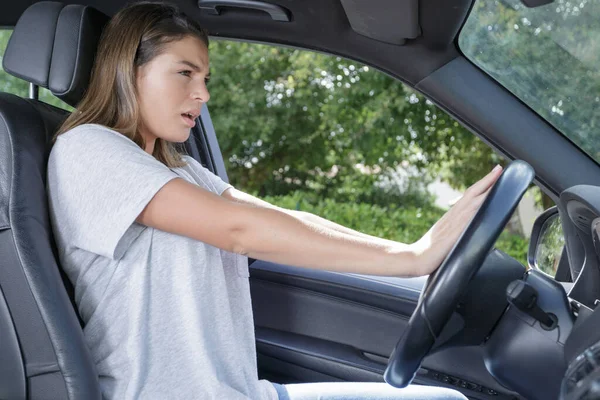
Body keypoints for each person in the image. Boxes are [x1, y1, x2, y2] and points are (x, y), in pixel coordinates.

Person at [46, 1, 502, 399]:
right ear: (129, 69)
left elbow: (273, 216)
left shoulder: (178, 169)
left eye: (204, 77)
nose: (202, 93)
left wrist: (409, 249)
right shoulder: (87, 149)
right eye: (185, 73)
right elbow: (238, 230)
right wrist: (411, 258)